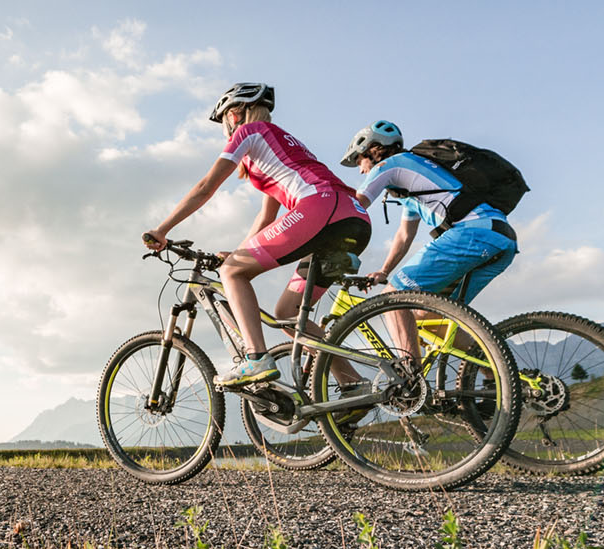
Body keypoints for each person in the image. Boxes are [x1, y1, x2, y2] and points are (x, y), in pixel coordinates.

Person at [143, 83, 372, 387]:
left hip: (321, 207)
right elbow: (267, 217)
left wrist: (162, 229)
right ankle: (353, 383)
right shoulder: (277, 145)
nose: (224, 128)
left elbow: (205, 188)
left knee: (231, 273)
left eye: (224, 119)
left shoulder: (249, 133)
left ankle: (256, 358)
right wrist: (238, 253)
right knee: (288, 315)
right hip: (353, 218)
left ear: (235, 114)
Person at [340, 120, 519, 364]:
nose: (361, 170)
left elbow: (355, 207)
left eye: (359, 161)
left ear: (373, 149)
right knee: (427, 317)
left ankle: (409, 379)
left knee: (394, 298)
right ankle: (494, 375)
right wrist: (384, 270)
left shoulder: (388, 165)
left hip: (472, 233)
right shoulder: (414, 177)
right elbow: (404, 235)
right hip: (501, 237)